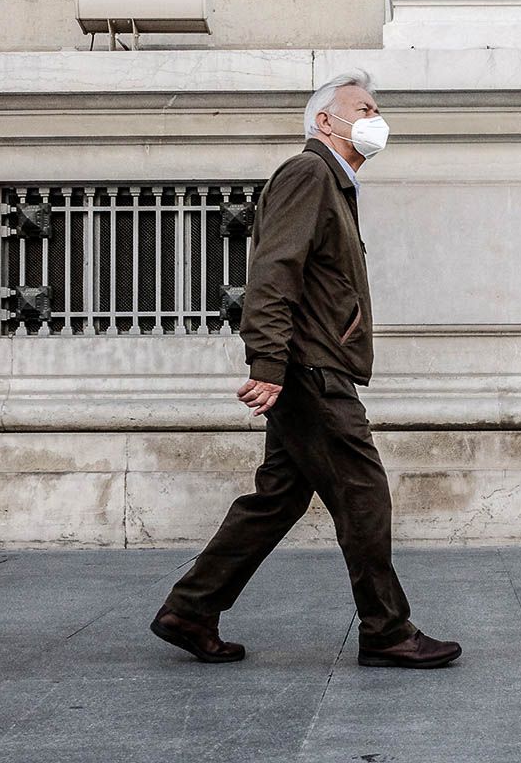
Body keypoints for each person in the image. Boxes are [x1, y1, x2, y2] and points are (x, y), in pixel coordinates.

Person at [149, 70, 461, 669]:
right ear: (325, 121)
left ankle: (191, 608)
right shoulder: (309, 173)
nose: (376, 119)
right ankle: (386, 629)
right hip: (311, 369)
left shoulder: (334, 185)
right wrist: (268, 362)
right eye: (364, 109)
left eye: (376, 109)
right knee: (363, 494)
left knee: (278, 498)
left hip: (311, 363)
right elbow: (274, 272)